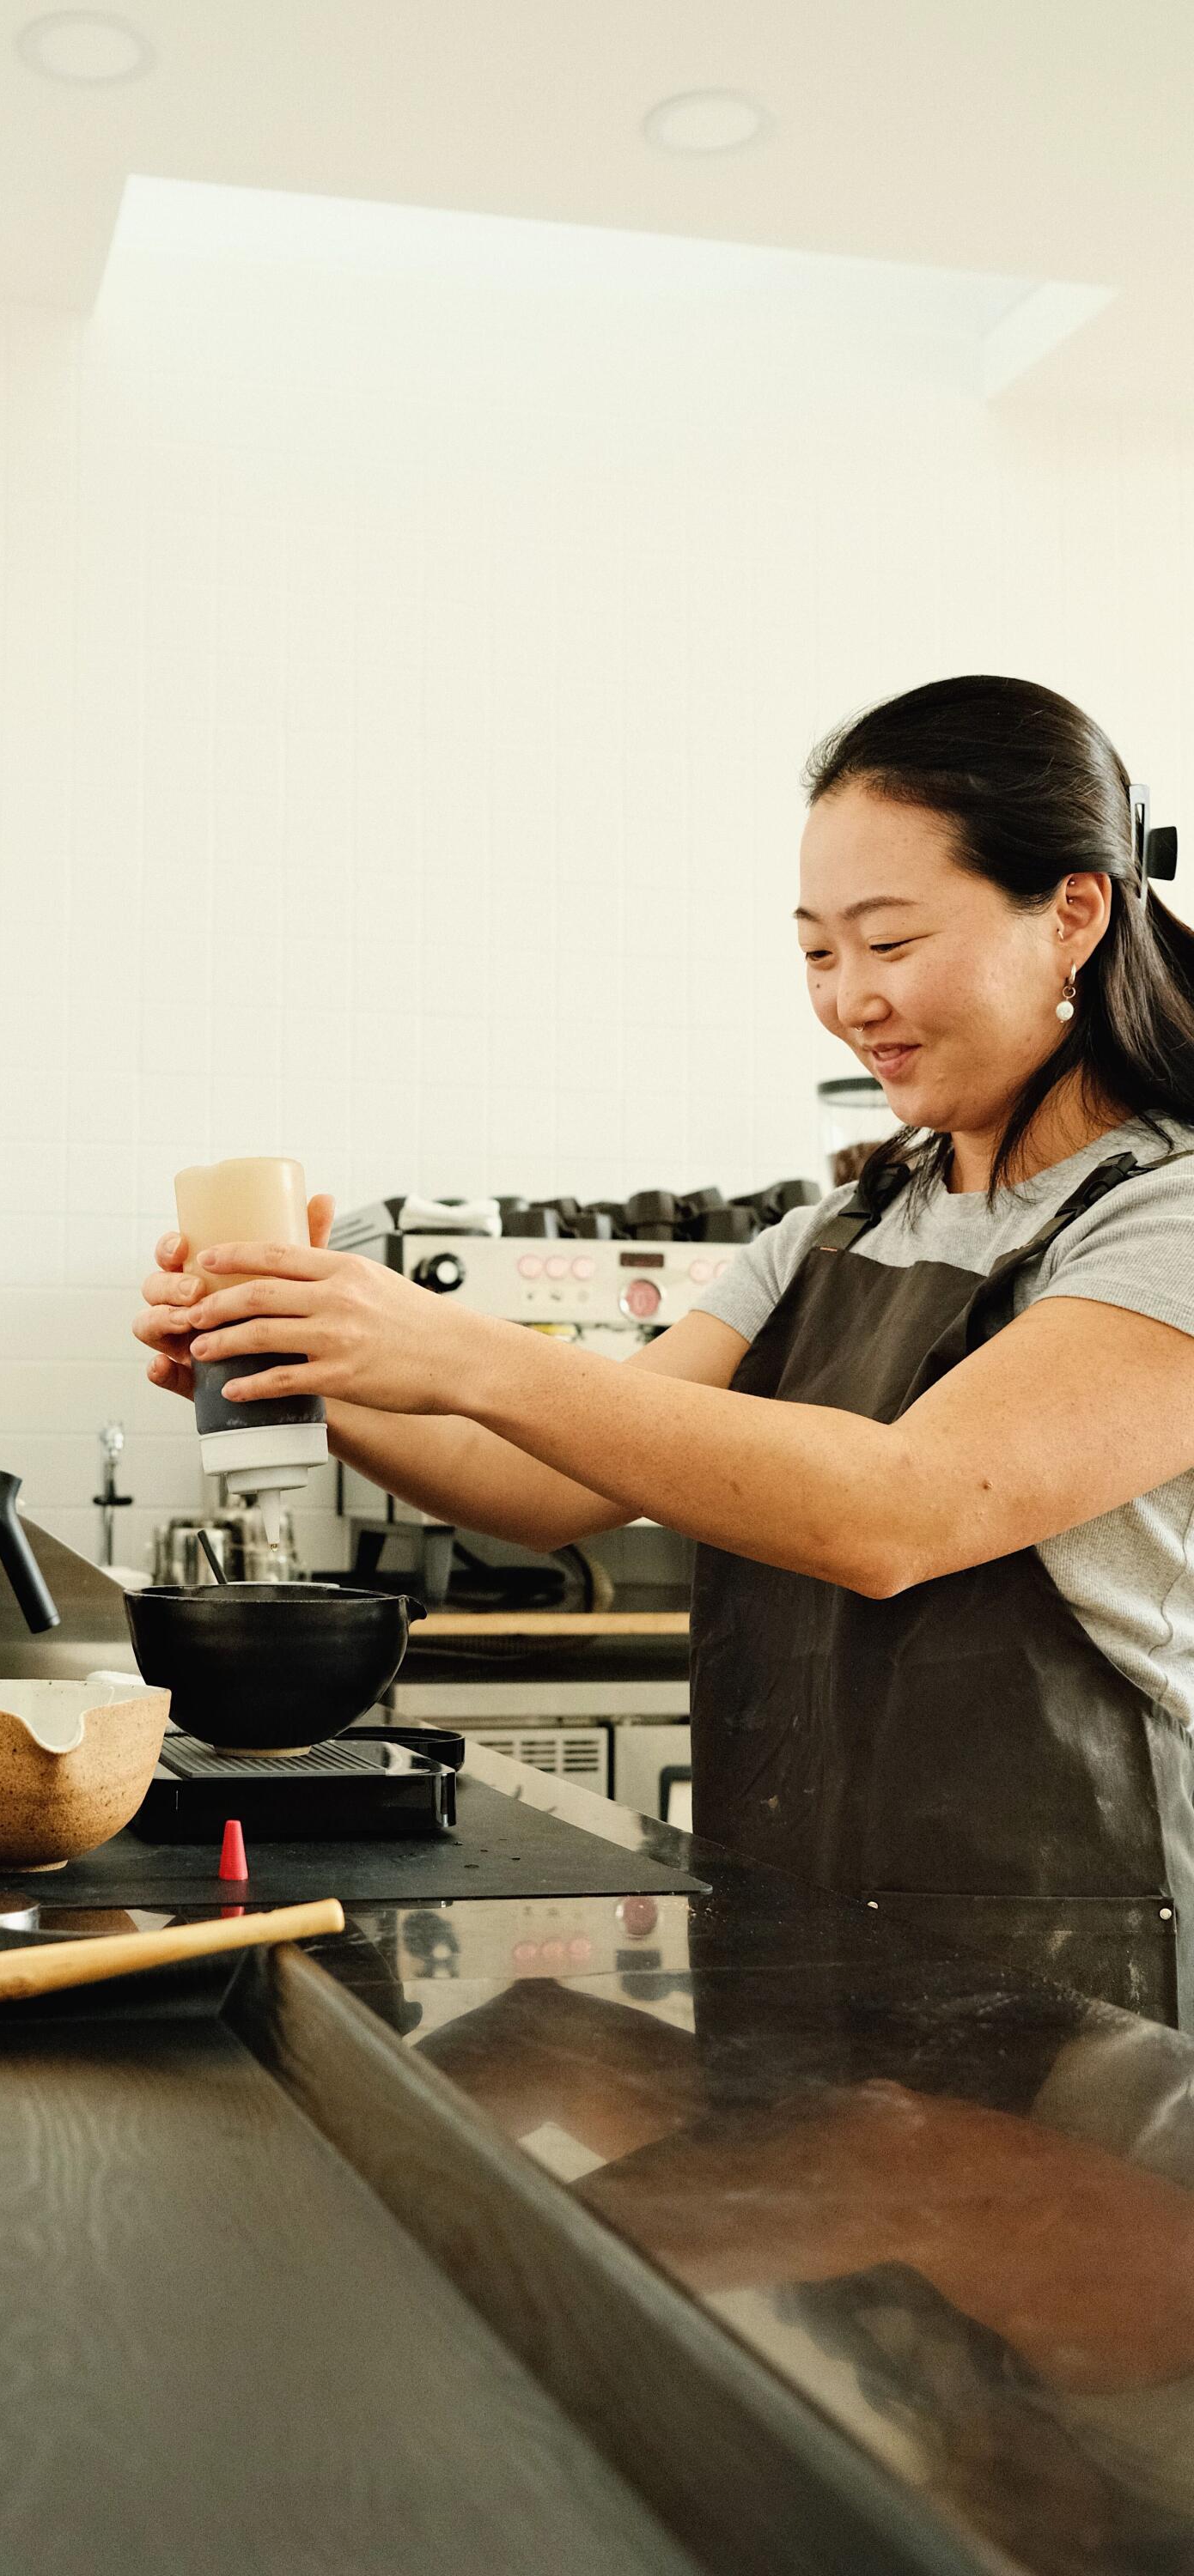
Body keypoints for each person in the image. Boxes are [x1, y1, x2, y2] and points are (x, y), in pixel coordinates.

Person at [135, 675, 1194, 2020]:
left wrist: (454, 1345)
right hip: (812, 1952)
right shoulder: (833, 1236)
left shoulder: (1168, 1217)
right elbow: (548, 1490)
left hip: (1092, 2000)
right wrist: (302, 1364)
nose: (851, 999)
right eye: (817, 953)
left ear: (1075, 914)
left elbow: (906, 1506)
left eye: (890, 941)